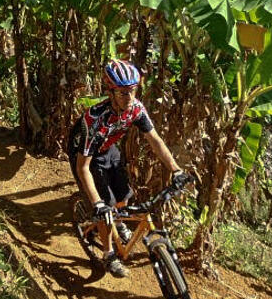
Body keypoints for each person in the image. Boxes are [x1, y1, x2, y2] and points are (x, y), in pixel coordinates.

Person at [68, 59, 188, 278]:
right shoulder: (94, 120)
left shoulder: (135, 109)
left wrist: (176, 169)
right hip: (86, 156)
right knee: (106, 207)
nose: (130, 97)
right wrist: (97, 204)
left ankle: (119, 222)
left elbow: (156, 141)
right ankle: (108, 254)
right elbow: (83, 167)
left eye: (133, 91)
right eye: (123, 93)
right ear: (111, 92)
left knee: (124, 194)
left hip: (108, 148)